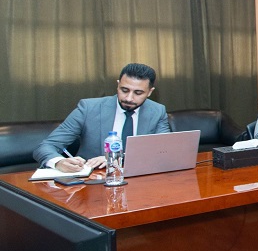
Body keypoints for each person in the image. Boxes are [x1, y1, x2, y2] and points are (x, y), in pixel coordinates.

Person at [33, 63, 171, 172]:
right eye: (124, 90)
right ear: (118, 84)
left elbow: (164, 152)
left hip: (139, 181)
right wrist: (58, 162)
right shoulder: (88, 108)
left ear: (150, 92)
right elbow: (46, 147)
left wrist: (117, 158)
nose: (129, 98)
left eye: (138, 93)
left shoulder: (157, 111)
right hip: (94, 182)